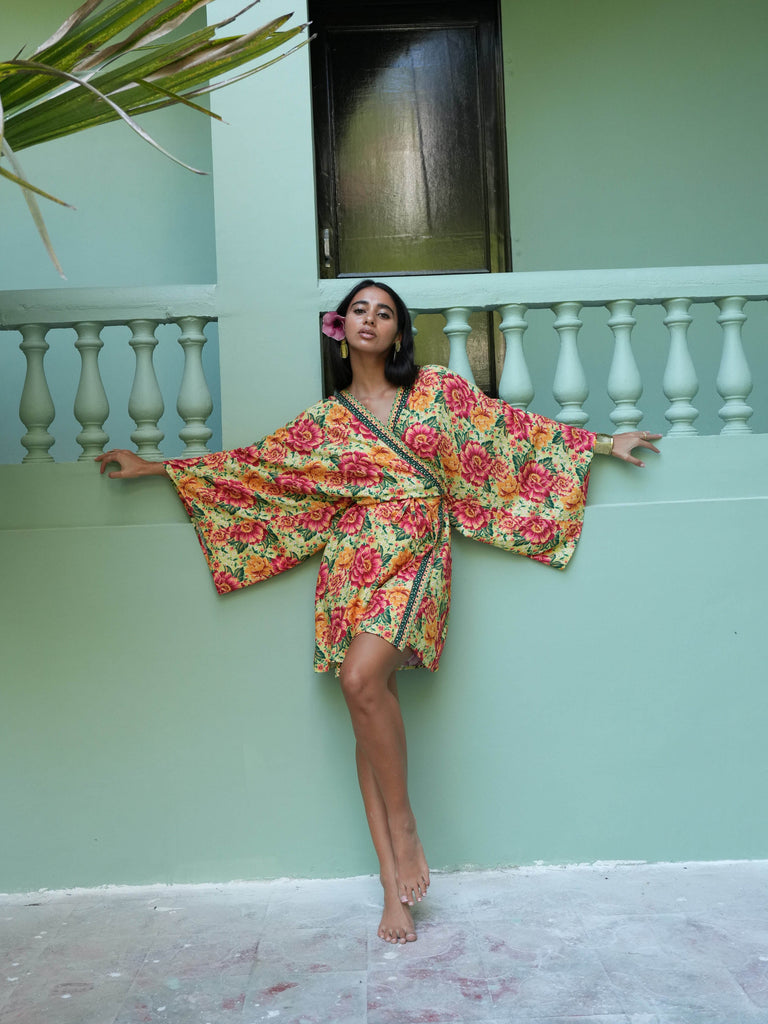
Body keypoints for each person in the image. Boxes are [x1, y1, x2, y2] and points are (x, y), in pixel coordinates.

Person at [97, 279, 660, 945]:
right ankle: (395, 892)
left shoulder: (438, 391)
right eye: (359, 310)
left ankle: (406, 828)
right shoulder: (326, 422)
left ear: (398, 331)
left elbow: (511, 431)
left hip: (418, 552)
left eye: (383, 312)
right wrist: (152, 468)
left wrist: (601, 444)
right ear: (342, 327)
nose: (370, 320)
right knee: (367, 712)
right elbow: (255, 468)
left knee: (361, 681)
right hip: (351, 565)